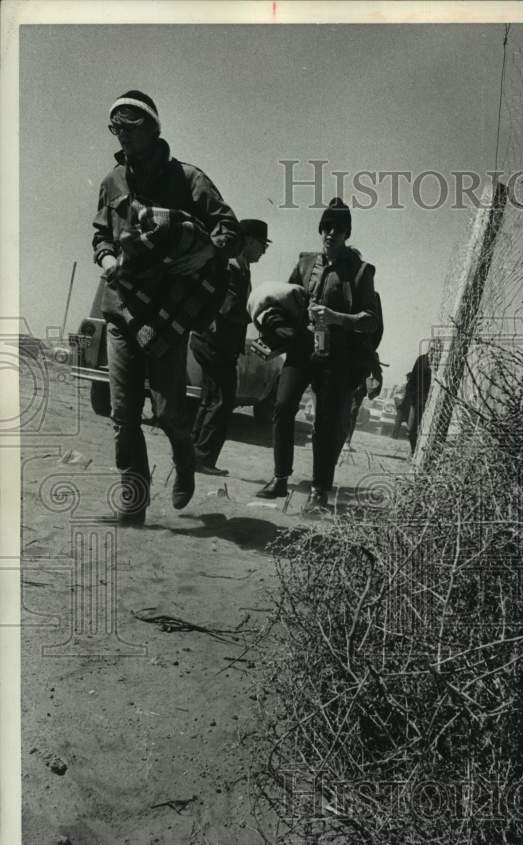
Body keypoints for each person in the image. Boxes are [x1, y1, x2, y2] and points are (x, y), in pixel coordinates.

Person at [92, 90, 242, 525]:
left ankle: (185, 458)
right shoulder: (111, 182)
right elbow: (101, 233)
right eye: (115, 127)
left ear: (154, 129)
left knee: (168, 411)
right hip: (122, 307)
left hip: (167, 312)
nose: (122, 135)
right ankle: (134, 497)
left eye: (130, 126)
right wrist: (106, 258)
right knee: (123, 413)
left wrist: (207, 254)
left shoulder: (188, 178)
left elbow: (228, 228)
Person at [257, 198, 380, 513]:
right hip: (301, 349)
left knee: (326, 423)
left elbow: (370, 319)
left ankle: (319, 490)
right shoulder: (305, 263)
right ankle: (280, 478)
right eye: (326, 227)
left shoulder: (361, 271)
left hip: (337, 357)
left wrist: (336, 318)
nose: (330, 234)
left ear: (346, 233)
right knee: (283, 406)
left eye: (337, 230)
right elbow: (287, 299)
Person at [191, 219, 271, 475]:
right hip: (215, 342)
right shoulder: (233, 267)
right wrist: (259, 314)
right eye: (262, 244)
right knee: (221, 400)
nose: (264, 251)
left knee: (211, 398)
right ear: (247, 241)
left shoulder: (240, 266)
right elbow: (228, 308)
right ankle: (201, 458)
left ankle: (192, 455)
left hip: (214, 342)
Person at [405, 351, 432, 455]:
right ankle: (413, 452)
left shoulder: (443, 363)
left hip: (432, 403)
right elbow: (413, 379)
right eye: (433, 349)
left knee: (427, 430)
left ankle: (422, 454)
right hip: (418, 400)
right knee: (411, 429)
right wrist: (412, 396)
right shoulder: (422, 360)